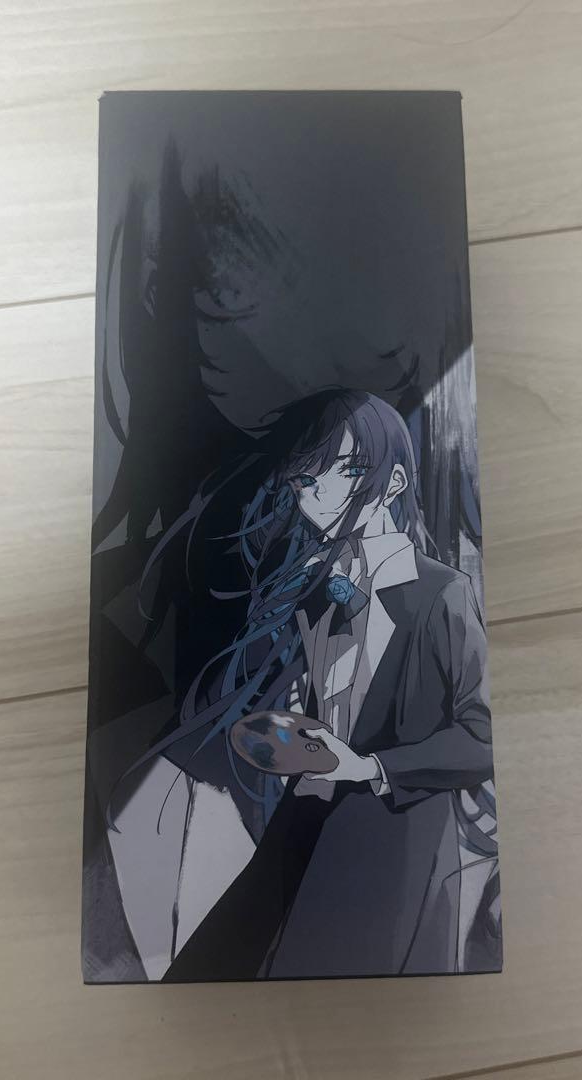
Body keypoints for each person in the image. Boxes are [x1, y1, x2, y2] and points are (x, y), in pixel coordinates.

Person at [107, 388, 497, 979]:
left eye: (339, 473)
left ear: (392, 484)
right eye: (305, 480)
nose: (316, 494)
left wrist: (368, 767)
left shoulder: (442, 593)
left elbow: (481, 740)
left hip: (395, 841)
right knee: (214, 967)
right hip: (303, 818)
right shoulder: (316, 587)